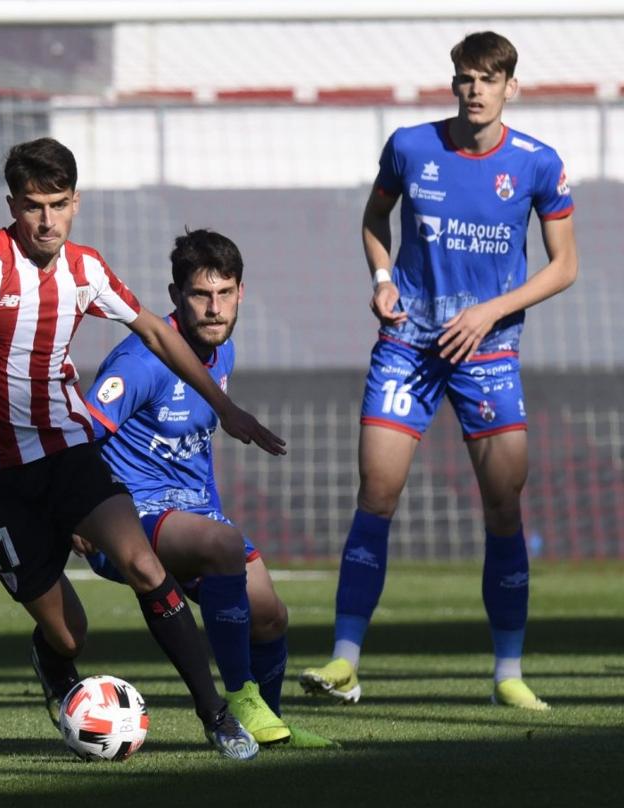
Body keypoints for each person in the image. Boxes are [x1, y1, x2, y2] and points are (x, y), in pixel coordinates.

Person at [0, 137, 286, 761]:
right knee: (70, 632)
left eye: (58, 204)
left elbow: (152, 328)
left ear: (76, 202)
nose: (46, 220)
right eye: (33, 206)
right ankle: (51, 659)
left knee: (146, 566)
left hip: (67, 451)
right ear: (13, 204)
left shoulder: (85, 269)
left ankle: (216, 715)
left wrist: (224, 407)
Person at [299, 31, 577, 711]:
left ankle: (508, 671)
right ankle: (344, 662)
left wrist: (491, 312)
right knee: (377, 490)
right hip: (409, 345)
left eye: (489, 78)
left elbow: (564, 266)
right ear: (453, 83)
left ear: (512, 87)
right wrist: (383, 276)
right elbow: (374, 217)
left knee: (504, 504)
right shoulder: (410, 146)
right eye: (465, 78)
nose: (475, 89)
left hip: (487, 352)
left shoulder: (540, 164)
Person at [75, 228, 332, 748]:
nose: (214, 308)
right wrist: (77, 517)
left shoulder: (224, 352)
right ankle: (236, 701)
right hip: (129, 521)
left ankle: (269, 726)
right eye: (200, 294)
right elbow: (76, 436)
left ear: (241, 293)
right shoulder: (141, 363)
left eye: (225, 293)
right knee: (223, 546)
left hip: (194, 512)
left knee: (270, 614)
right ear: (176, 297)